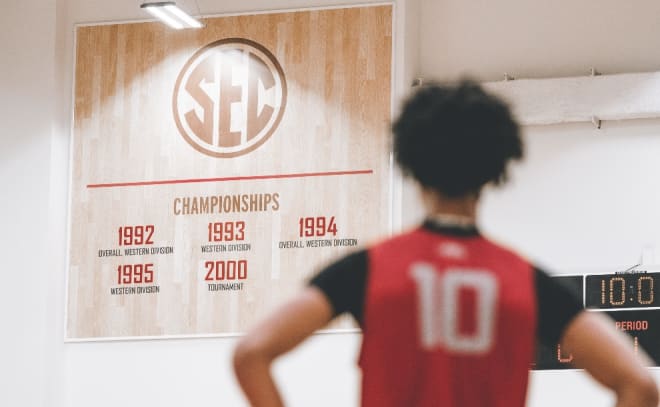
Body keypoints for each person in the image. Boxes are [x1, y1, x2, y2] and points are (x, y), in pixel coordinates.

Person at [233, 80, 659, 407]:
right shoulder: (526, 280)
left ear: (413, 168)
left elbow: (251, 353)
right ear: (494, 170)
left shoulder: (369, 267)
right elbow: (640, 385)